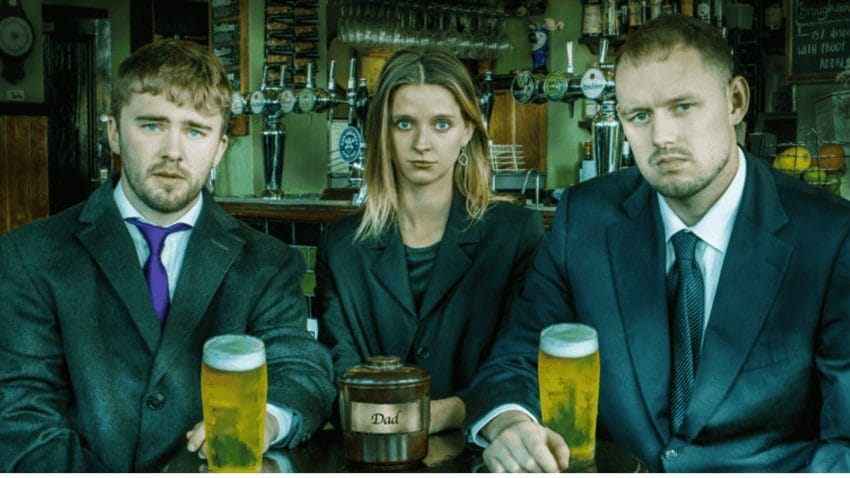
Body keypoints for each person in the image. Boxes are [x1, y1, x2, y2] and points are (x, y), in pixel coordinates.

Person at [464, 14, 850, 473]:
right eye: (640, 116)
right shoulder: (584, 219)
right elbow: (516, 358)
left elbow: (843, 443)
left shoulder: (828, 238)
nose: (661, 138)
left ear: (735, 101)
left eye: (683, 106)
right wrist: (511, 424)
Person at [0, 39, 335, 472]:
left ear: (219, 149)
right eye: (152, 125)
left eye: (195, 130)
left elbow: (301, 370)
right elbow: (22, 415)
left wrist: (267, 419)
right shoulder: (29, 256)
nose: (173, 151)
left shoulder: (267, 263)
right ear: (114, 132)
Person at [315, 47, 544, 433]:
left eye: (441, 124)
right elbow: (340, 374)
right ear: (383, 132)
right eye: (404, 124)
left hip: (484, 451)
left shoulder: (515, 232)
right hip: (371, 456)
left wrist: (445, 413)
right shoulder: (341, 245)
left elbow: (520, 362)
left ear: (467, 130)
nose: (422, 143)